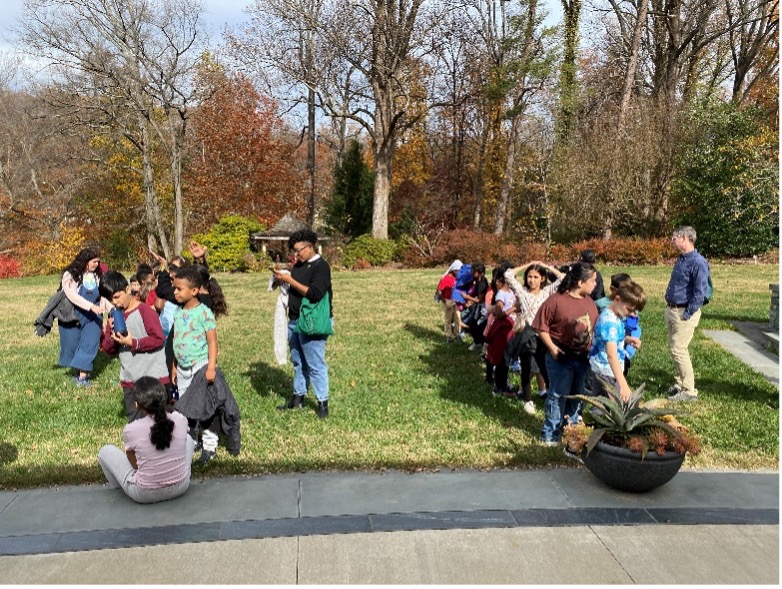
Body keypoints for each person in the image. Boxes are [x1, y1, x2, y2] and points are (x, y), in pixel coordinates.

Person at [97, 377, 193, 504]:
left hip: (145, 494)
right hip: (181, 486)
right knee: (189, 439)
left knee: (105, 451)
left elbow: (135, 465)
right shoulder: (180, 419)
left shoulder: (131, 429)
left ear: (137, 404)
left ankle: (118, 489)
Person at [533, 262, 599, 446]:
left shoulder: (589, 302)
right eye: (592, 280)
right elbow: (540, 327)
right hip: (561, 356)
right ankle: (550, 434)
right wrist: (553, 349)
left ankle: (570, 429)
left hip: (583, 357)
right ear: (580, 282)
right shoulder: (556, 300)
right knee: (558, 394)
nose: (595, 284)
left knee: (577, 395)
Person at [273, 229, 334, 419]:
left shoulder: (321, 267)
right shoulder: (298, 266)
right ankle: (297, 397)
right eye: (293, 251)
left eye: (299, 250)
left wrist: (290, 280)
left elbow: (315, 294)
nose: (296, 254)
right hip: (294, 320)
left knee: (315, 363)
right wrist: (281, 280)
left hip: (312, 322)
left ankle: (322, 402)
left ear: (310, 246)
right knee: (298, 361)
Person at [99, 271, 170, 422]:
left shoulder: (144, 312)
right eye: (111, 300)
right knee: (135, 419)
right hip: (130, 378)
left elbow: (158, 339)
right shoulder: (114, 316)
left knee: (159, 419)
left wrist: (133, 343)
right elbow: (108, 350)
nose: (115, 303)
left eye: (117, 297)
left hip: (153, 377)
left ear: (127, 290)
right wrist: (110, 333)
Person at [504, 261, 564, 414]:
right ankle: (528, 399)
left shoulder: (547, 293)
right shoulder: (523, 292)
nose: (532, 280)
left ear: (543, 278)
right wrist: (529, 264)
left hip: (542, 336)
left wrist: (547, 266)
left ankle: (550, 396)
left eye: (536, 277)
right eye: (529, 276)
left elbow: (563, 278)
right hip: (527, 334)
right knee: (526, 367)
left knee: (544, 368)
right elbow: (508, 275)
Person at [664, 225, 710, 402]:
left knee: (679, 348)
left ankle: (689, 390)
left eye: (674, 238)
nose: (672, 241)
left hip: (684, 312)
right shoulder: (682, 259)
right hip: (672, 309)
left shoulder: (698, 262)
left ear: (684, 238)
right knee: (674, 348)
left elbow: (700, 292)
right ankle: (679, 384)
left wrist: (688, 313)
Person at [58, 246, 112, 386]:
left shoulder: (98, 276)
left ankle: (82, 377)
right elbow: (72, 295)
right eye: (94, 261)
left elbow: (103, 295)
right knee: (73, 344)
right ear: (85, 260)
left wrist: (110, 309)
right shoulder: (71, 275)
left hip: (94, 317)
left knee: (90, 342)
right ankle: (78, 371)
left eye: (98, 262)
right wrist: (90, 306)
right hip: (75, 315)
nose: (96, 264)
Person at [588, 281, 646, 402]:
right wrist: (623, 384)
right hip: (607, 371)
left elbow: (609, 338)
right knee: (615, 406)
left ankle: (594, 419)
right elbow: (611, 356)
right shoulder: (610, 323)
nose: (631, 314)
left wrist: (627, 339)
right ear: (617, 299)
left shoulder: (614, 315)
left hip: (602, 368)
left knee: (602, 404)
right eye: (629, 309)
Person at [484, 263, 516, 397]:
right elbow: (498, 313)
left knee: (506, 359)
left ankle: (504, 385)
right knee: (501, 359)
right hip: (501, 331)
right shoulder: (501, 294)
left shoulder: (511, 292)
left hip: (509, 330)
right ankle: (498, 387)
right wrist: (513, 309)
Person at [463, 263, 489, 351]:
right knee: (472, 324)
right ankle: (477, 342)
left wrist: (468, 297)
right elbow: (476, 295)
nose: (472, 273)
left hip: (483, 307)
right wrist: (470, 300)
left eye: (474, 271)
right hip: (479, 306)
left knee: (478, 326)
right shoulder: (478, 281)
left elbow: (480, 300)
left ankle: (481, 343)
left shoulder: (482, 283)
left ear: (480, 273)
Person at [436, 260, 463, 343]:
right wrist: (445, 302)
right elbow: (439, 291)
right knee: (448, 319)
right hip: (448, 300)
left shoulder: (458, 278)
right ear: (454, 270)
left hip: (456, 300)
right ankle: (448, 336)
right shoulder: (446, 279)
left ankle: (457, 334)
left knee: (457, 318)